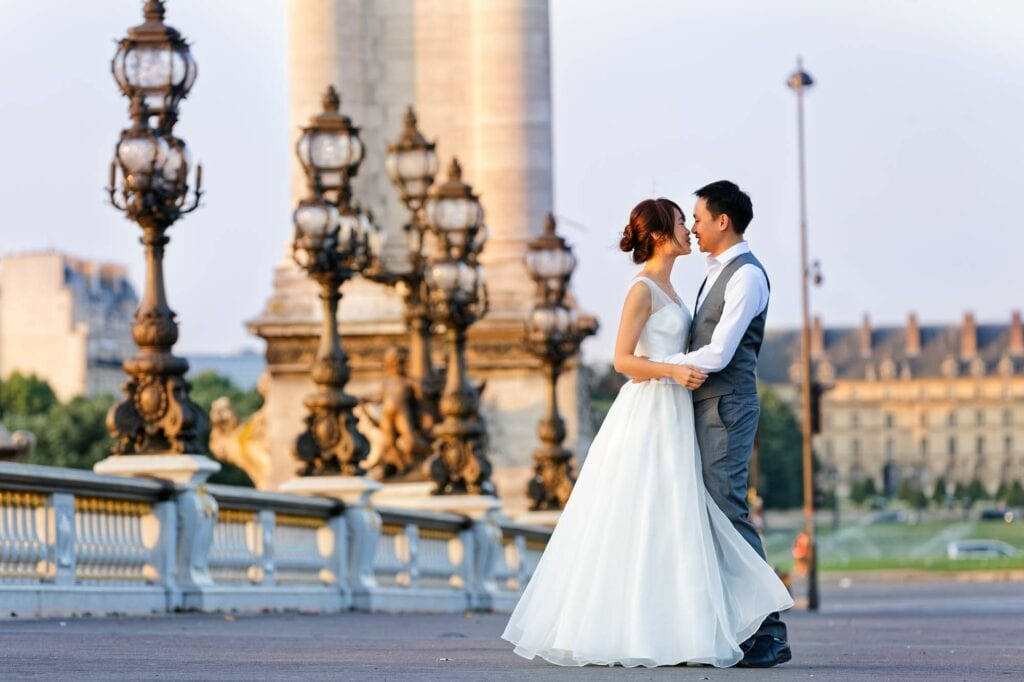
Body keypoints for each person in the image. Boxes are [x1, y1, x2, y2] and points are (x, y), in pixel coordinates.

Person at [502, 195, 792, 668]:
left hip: (678, 410)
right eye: (682, 222)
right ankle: (662, 627)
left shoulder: (682, 289)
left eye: (692, 220)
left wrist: (676, 373)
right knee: (649, 514)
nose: (689, 230)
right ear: (659, 234)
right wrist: (674, 372)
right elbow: (622, 361)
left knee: (676, 518)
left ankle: (683, 627)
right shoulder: (642, 290)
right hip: (653, 408)